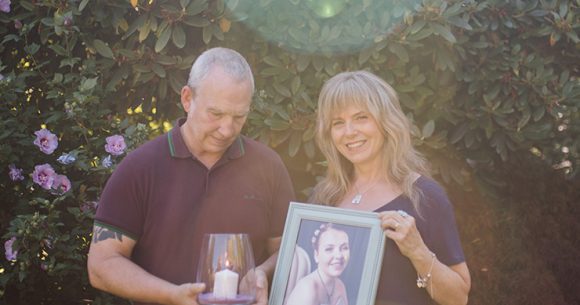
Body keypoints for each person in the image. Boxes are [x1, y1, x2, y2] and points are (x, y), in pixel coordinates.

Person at [87, 47, 295, 305]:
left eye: (239, 116)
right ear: (187, 98)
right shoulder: (140, 168)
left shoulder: (268, 166)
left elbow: (288, 250)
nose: (227, 129)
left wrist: (262, 273)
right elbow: (101, 264)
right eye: (216, 114)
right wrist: (172, 296)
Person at [310, 71, 471, 305]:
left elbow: (458, 298)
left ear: (386, 122)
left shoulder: (424, 198)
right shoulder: (323, 199)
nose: (349, 131)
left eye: (361, 117)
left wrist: (417, 250)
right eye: (338, 123)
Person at [285, 223, 350, 305]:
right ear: (316, 255)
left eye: (344, 248)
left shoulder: (340, 286)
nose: (339, 255)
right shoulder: (307, 289)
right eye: (329, 249)